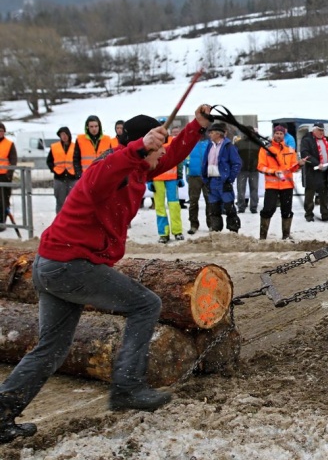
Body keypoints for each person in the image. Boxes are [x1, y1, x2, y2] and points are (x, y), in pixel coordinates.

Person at [0, 106, 212, 444]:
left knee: (51, 349)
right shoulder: (111, 168)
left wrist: (197, 126)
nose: (163, 154)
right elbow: (106, 172)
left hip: (54, 263)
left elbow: (169, 157)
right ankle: (127, 386)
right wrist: (139, 147)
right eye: (156, 147)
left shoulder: (140, 168)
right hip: (70, 265)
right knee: (146, 305)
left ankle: (1, 412)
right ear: (142, 147)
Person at [258, 125, 305, 240]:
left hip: (287, 185)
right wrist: (274, 172)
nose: (278, 135)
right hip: (272, 185)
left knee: (287, 211)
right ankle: (263, 236)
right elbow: (260, 167)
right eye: (277, 133)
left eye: (281, 134)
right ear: (273, 134)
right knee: (268, 209)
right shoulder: (265, 149)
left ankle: (286, 235)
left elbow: (292, 168)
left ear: (284, 135)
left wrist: (299, 164)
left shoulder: (290, 150)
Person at [201, 122, 242, 232]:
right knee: (214, 209)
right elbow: (205, 161)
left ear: (218, 134)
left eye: (212, 132)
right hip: (212, 181)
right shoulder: (210, 145)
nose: (209, 134)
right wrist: (205, 178)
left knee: (229, 208)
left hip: (223, 181)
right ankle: (216, 231)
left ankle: (233, 232)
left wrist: (229, 179)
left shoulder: (229, 146)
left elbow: (236, 163)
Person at [149, 122, 185, 243]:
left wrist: (179, 176)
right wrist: (149, 180)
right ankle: (163, 233)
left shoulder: (172, 142)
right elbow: (148, 162)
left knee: (174, 206)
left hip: (172, 179)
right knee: (159, 207)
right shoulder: (151, 143)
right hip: (157, 179)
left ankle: (177, 231)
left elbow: (178, 159)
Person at [300, 122, 328, 222]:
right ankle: (309, 214)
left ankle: (325, 214)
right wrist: (316, 163)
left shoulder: (326, 139)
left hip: (325, 171)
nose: (321, 132)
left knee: (324, 194)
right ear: (314, 130)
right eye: (319, 130)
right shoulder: (307, 140)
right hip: (312, 171)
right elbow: (305, 154)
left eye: (322, 130)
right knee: (310, 194)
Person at [46, 126, 82, 214]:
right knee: (60, 202)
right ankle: (59, 221)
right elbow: (49, 161)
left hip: (72, 177)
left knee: (74, 202)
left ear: (69, 135)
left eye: (65, 134)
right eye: (62, 134)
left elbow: (79, 160)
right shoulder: (54, 147)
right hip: (59, 178)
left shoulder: (75, 146)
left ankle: (73, 220)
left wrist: (78, 172)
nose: (64, 136)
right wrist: (54, 169)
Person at [186, 134, 210, 234]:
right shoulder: (189, 144)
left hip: (208, 175)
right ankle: (193, 224)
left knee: (210, 201)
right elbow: (184, 159)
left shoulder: (210, 143)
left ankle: (211, 224)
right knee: (193, 201)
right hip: (193, 175)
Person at [235, 126, 261, 214]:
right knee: (240, 189)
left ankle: (253, 207)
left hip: (254, 170)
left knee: (254, 189)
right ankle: (241, 206)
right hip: (241, 170)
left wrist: (258, 164)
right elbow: (234, 156)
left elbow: (262, 156)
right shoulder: (239, 143)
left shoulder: (258, 143)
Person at [0, 123, 17, 230]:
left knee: (3, 200)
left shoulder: (9, 144)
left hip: (4, 176)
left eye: (1, 130)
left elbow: (13, 160)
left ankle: (2, 221)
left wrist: (8, 175)